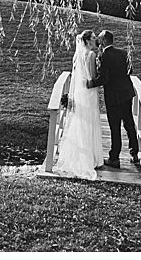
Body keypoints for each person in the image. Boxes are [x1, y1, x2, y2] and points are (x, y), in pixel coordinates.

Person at [54, 30, 104, 180]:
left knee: (80, 119)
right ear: (88, 41)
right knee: (90, 120)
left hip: (79, 90)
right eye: (94, 38)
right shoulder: (91, 54)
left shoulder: (78, 54)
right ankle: (92, 158)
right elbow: (92, 75)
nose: (96, 40)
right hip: (89, 91)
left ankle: (81, 154)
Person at [87, 29, 140, 169]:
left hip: (114, 97)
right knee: (129, 124)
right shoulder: (123, 53)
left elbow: (104, 78)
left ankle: (114, 158)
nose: (98, 42)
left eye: (99, 39)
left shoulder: (105, 56)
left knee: (115, 127)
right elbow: (130, 71)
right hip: (127, 93)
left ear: (104, 41)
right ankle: (134, 154)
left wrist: (92, 83)